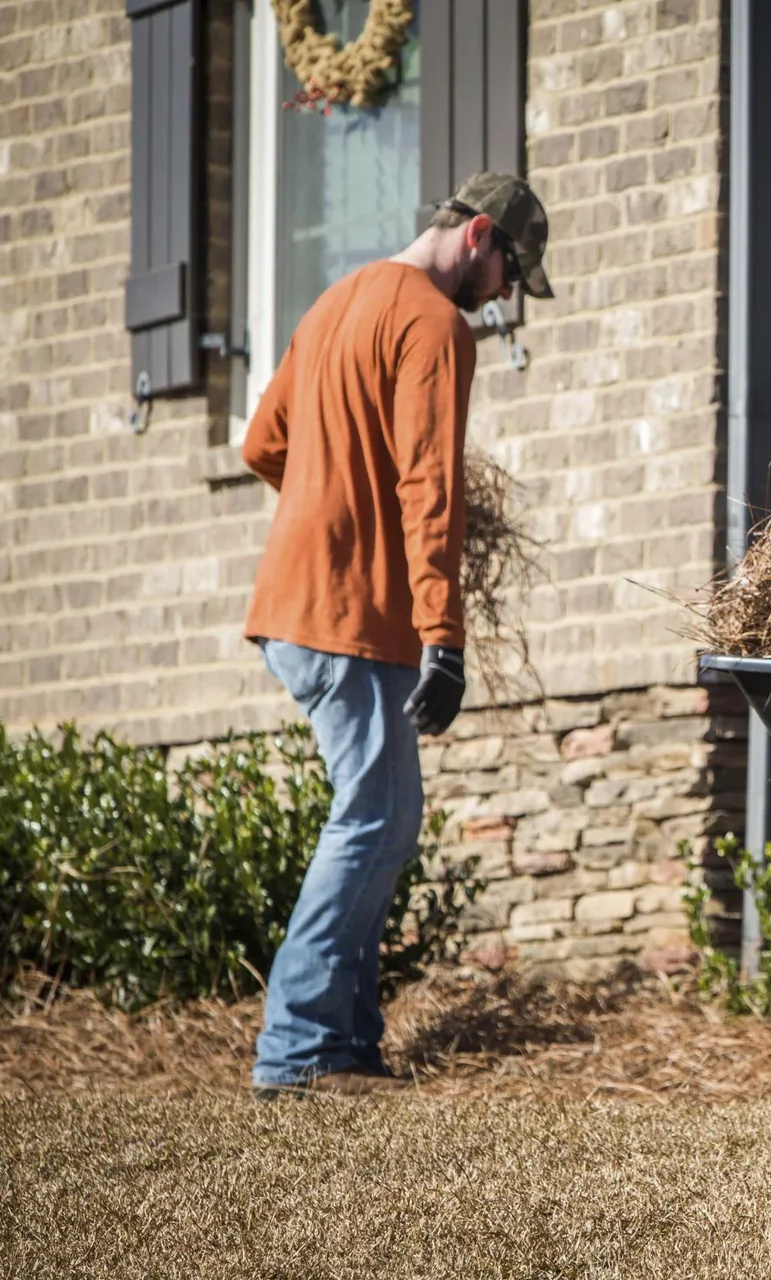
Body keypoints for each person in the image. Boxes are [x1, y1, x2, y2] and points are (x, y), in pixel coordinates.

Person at [240, 172, 553, 1099]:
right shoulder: (432, 323)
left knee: (385, 815)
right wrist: (443, 635)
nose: (503, 298)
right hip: (346, 610)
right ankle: (298, 1051)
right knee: (372, 816)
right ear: (480, 237)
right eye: (510, 274)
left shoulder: (336, 301)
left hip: (302, 601)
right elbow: (430, 485)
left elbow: (262, 444)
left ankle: (347, 1047)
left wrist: (331, 494)